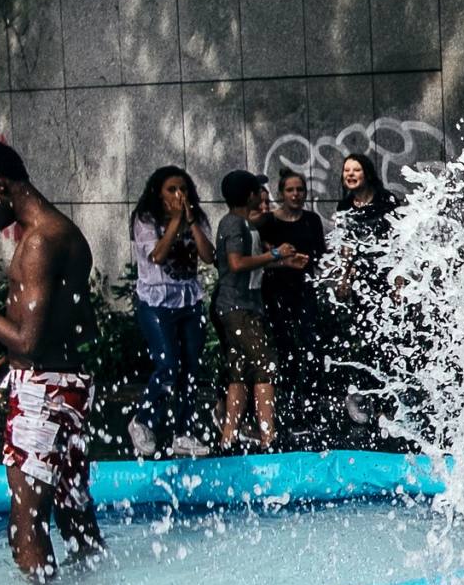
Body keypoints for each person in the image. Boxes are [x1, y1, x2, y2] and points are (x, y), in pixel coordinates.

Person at [0, 140, 107, 585]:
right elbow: (74, 328)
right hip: (70, 384)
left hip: (42, 392)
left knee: (25, 527)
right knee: (73, 511)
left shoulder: (37, 243)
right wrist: (4, 362)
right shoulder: (64, 232)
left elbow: (28, 341)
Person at [125, 166, 213, 458]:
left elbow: (208, 256)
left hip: (189, 302)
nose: (179, 195)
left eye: (184, 189)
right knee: (168, 366)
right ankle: (143, 421)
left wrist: (191, 222)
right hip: (156, 302)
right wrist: (176, 221)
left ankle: (184, 433)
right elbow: (158, 255)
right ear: (157, 193)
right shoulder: (146, 219)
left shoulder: (196, 218)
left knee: (190, 369)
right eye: (172, 189)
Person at [214, 169, 304, 452]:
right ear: (249, 195)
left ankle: (228, 437)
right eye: (258, 192)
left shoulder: (244, 224)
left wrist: (282, 263)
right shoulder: (234, 224)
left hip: (244, 305)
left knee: (239, 370)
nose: (262, 197)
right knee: (266, 364)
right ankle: (269, 437)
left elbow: (249, 265)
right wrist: (276, 253)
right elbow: (237, 263)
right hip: (237, 307)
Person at [331, 153, 403, 431]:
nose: (350, 175)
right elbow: (345, 246)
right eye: (346, 170)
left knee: (390, 342)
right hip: (362, 284)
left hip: (385, 279)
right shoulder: (344, 206)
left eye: (356, 170)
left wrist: (399, 284)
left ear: (367, 173)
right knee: (367, 343)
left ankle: (392, 405)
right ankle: (371, 402)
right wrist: (343, 278)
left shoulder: (386, 202)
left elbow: (400, 245)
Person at [262, 168, 329, 440]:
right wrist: (284, 262)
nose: (296, 195)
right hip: (277, 291)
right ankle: (291, 413)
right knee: (286, 351)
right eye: (290, 190)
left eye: (300, 190)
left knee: (310, 347)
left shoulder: (311, 220)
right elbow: (263, 254)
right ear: (281, 193)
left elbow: (320, 254)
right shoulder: (269, 221)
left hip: (304, 290)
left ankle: (312, 408)